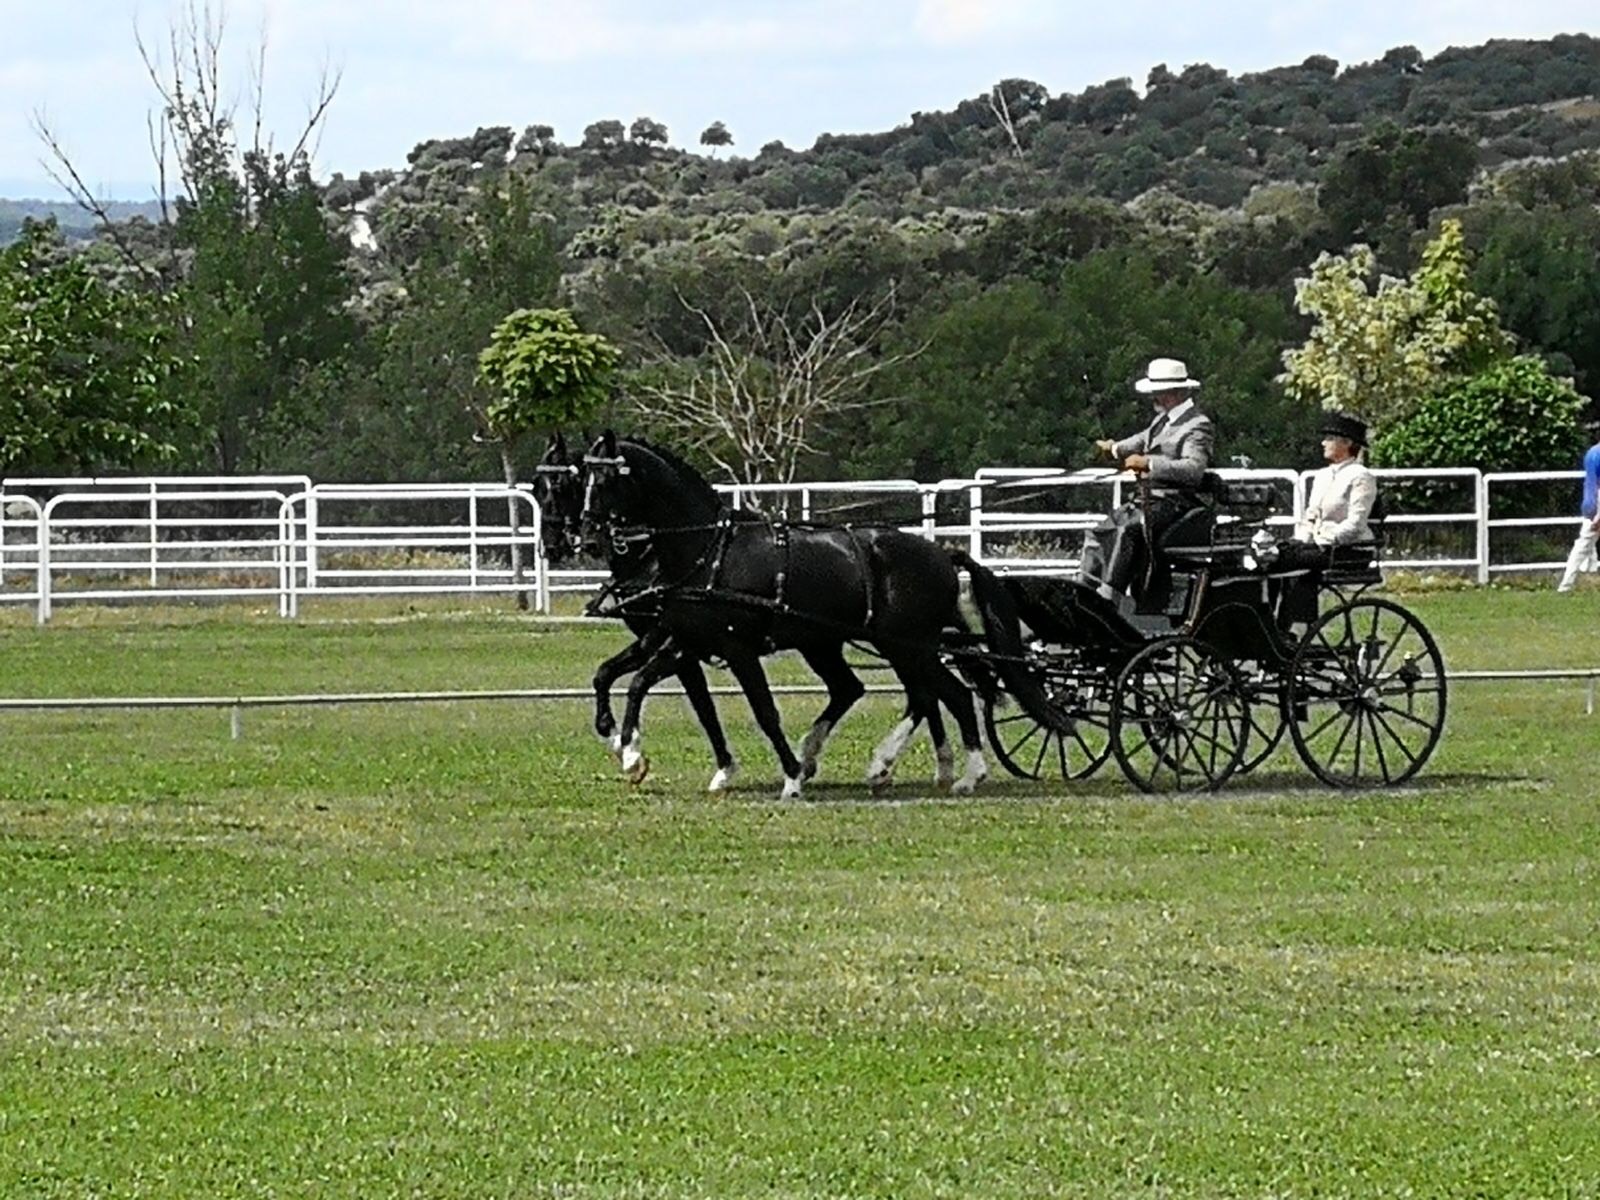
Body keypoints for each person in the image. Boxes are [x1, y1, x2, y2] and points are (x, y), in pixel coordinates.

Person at [1080, 357, 1214, 602]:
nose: (1154, 398)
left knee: (1125, 531)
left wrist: (1148, 463)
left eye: (1157, 393)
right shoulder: (1162, 421)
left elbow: (1194, 469)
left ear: (1173, 393)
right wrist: (1113, 449)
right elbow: (1138, 441)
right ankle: (1084, 593)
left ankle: (1109, 597)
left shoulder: (1198, 425)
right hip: (1148, 500)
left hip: (1175, 503)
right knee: (1099, 531)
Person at [1293, 412, 1378, 553]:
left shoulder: (1360, 476)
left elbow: (1356, 524)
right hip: (1319, 547)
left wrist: (1327, 541)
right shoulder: (1322, 476)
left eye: (1330, 439)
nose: (1323, 443)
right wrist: (1300, 543)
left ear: (1347, 443)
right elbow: (1311, 517)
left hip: (1350, 549)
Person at [1556, 435, 1600, 593]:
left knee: (1582, 545)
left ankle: (1566, 583)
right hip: (1597, 503)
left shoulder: (1591, 453)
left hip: (1589, 503)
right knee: (1584, 544)